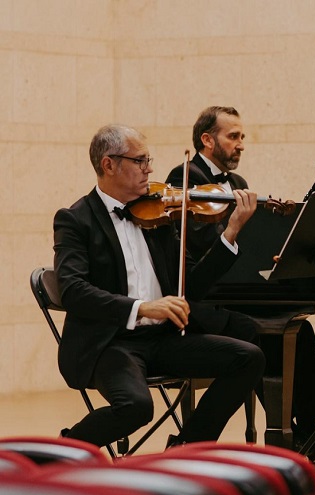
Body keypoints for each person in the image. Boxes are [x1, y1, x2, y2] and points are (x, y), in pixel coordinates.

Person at [54, 124, 265, 449]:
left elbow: (191, 285)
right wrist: (141, 307)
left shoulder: (159, 214)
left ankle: (186, 448)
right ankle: (66, 449)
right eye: (140, 161)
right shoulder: (75, 220)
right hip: (110, 343)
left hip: (162, 339)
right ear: (108, 164)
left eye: (148, 159)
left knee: (248, 357)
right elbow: (72, 290)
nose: (150, 169)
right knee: (137, 407)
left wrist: (231, 232)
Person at [165, 106, 315, 456]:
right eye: (233, 136)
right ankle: (281, 431)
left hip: (232, 289)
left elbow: (245, 245)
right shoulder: (183, 180)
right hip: (202, 297)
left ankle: (309, 424)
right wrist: (233, 225)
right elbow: (199, 247)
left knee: (297, 322)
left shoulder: (237, 184)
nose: (241, 145)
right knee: (264, 329)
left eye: (242, 137)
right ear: (207, 140)